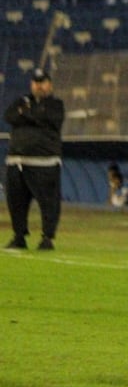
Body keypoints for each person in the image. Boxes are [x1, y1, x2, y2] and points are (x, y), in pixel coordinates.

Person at [4, 68, 65, 250]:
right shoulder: (21, 101)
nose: (39, 86)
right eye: (35, 82)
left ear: (49, 85)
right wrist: (34, 115)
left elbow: (49, 119)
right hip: (17, 162)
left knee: (49, 203)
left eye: (42, 82)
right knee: (16, 202)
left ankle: (47, 237)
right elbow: (10, 116)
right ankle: (19, 236)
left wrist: (27, 114)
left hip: (44, 163)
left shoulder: (56, 105)